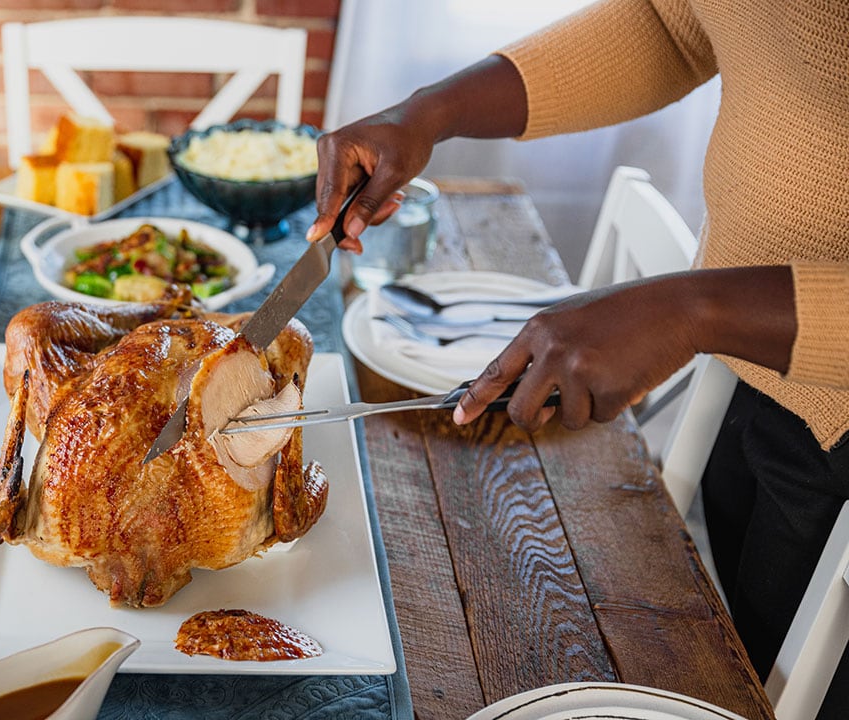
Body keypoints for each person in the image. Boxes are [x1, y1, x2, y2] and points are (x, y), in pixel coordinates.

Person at [309, 0, 849, 712]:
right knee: (733, 665)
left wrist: (691, 308)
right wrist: (429, 112)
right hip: (757, 367)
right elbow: (671, 22)